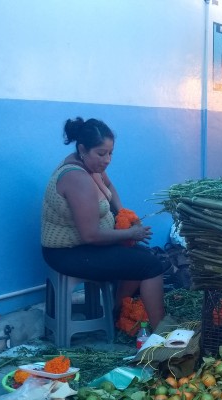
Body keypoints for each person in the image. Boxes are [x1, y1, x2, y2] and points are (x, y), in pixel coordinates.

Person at [41, 117, 165, 327]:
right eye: (101, 153)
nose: (107, 159)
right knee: (151, 265)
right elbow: (91, 235)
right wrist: (130, 234)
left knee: (144, 255)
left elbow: (109, 186)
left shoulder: (92, 167)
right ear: (82, 149)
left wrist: (124, 214)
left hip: (86, 246)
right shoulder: (76, 178)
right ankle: (162, 332)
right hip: (68, 253)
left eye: (110, 153)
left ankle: (115, 310)